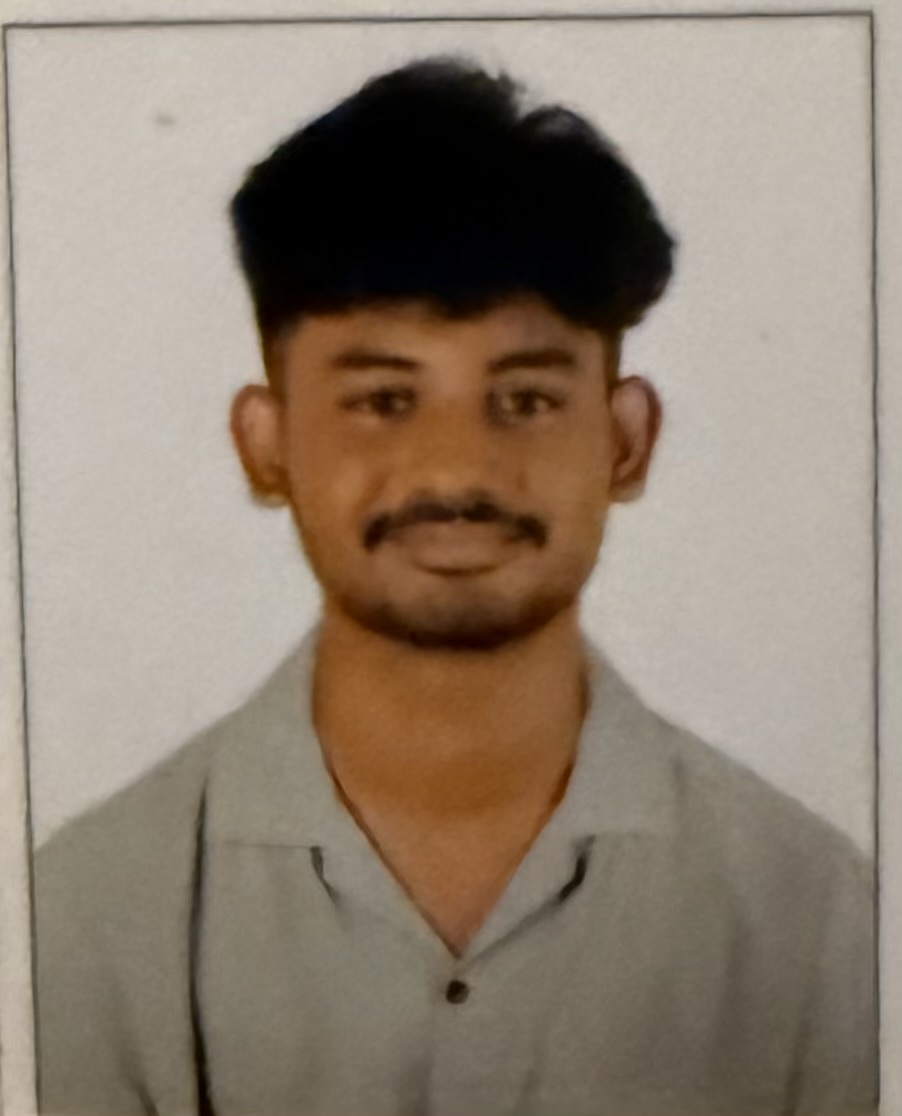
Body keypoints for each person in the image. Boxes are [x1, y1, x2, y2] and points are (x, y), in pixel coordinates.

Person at [34, 57, 877, 1116]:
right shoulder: (83, 924)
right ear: (265, 443)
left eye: (523, 400)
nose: (456, 469)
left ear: (624, 440)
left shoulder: (818, 924)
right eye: (383, 400)